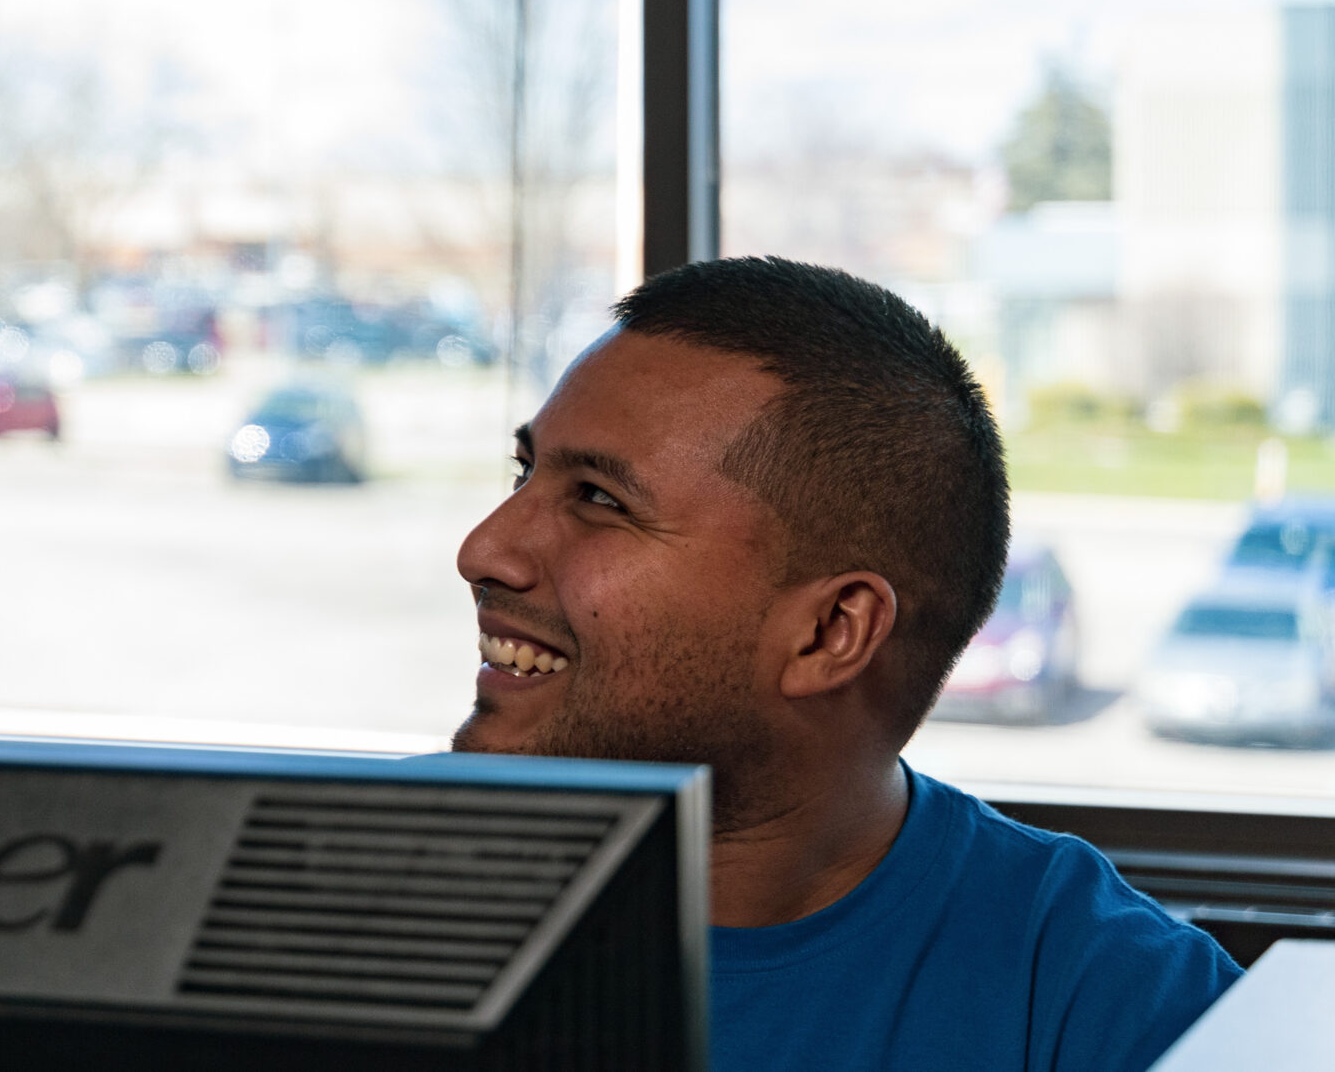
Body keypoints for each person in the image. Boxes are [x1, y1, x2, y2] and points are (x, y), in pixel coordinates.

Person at [451, 256, 1236, 1072]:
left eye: (600, 500)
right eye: (525, 471)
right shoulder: (350, 892)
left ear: (831, 631)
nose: (484, 549)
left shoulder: (1113, 1003)